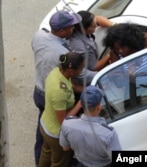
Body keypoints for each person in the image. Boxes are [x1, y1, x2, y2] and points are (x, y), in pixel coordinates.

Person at [31, 10, 81, 166]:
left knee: (43, 132)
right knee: (56, 143)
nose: (73, 29)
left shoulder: (38, 36)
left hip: (39, 92)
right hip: (51, 98)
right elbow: (63, 121)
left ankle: (39, 161)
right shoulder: (62, 53)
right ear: (61, 31)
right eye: (71, 27)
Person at [38, 52, 84, 167]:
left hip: (45, 125)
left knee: (46, 154)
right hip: (55, 135)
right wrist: (79, 104)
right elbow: (63, 121)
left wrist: (82, 89)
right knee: (59, 162)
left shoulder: (57, 72)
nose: (82, 71)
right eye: (81, 68)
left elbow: (71, 86)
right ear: (72, 71)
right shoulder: (59, 92)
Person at [59, 85, 121, 167]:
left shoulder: (67, 123)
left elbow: (65, 148)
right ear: (99, 107)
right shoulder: (108, 133)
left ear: (81, 104)